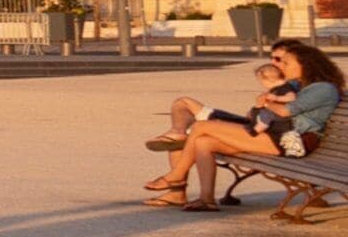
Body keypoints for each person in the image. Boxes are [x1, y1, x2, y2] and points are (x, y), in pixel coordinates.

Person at [146, 40, 342, 210]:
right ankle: (206, 200)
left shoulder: (322, 88)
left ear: (306, 65)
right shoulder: (304, 85)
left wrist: (267, 101)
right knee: (203, 142)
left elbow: (285, 111)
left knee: (201, 127)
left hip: (291, 142)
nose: (282, 67)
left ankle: (177, 175)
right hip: (277, 135)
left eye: (287, 63)